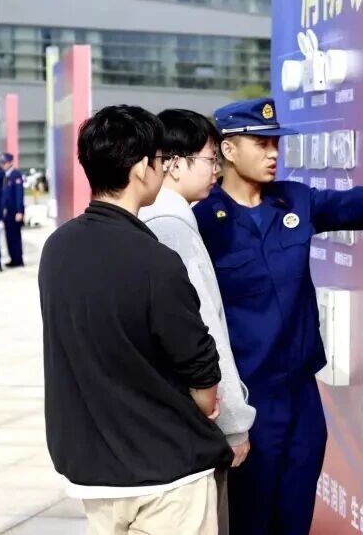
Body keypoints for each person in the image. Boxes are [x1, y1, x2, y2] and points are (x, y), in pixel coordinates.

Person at [193, 98, 363, 535]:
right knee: (249, 517)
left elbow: (353, 206)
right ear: (228, 150)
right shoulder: (204, 221)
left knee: (295, 513)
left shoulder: (294, 199)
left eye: (276, 143)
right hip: (248, 396)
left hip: (301, 393)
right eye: (262, 144)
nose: (273, 153)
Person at [40, 105, 232, 535]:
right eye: (160, 160)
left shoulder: (57, 248)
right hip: (165, 473)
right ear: (142, 167)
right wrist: (207, 402)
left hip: (93, 469)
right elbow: (199, 363)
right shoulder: (155, 260)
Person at [139, 109, 257, 535]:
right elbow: (204, 330)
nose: (216, 170)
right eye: (210, 159)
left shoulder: (153, 218)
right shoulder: (172, 227)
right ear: (174, 163)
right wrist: (235, 424)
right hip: (191, 425)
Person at [0, 153, 25, 268]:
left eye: (5, 163)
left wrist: (20, 211)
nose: (3, 165)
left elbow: (19, 195)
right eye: (2, 163)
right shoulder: (6, 176)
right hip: (7, 212)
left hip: (14, 211)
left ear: (10, 162)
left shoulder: (15, 175)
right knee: (9, 236)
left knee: (15, 236)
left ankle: (18, 259)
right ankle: (13, 258)